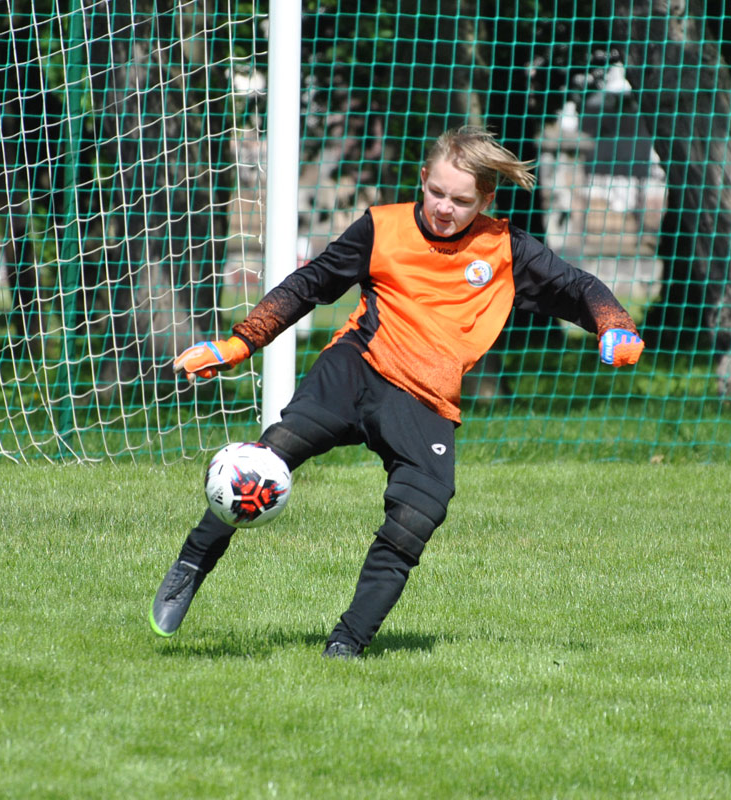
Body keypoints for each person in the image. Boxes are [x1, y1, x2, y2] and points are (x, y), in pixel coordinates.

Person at [150, 125, 644, 658]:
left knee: (419, 512)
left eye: (461, 201)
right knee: (263, 464)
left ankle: (347, 643)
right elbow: (310, 284)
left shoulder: (506, 251)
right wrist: (241, 342)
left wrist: (614, 325)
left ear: (485, 201)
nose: (445, 208)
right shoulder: (381, 228)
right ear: (423, 178)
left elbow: (578, 287)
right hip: (356, 367)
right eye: (437, 192)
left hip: (425, 399)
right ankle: (191, 564)